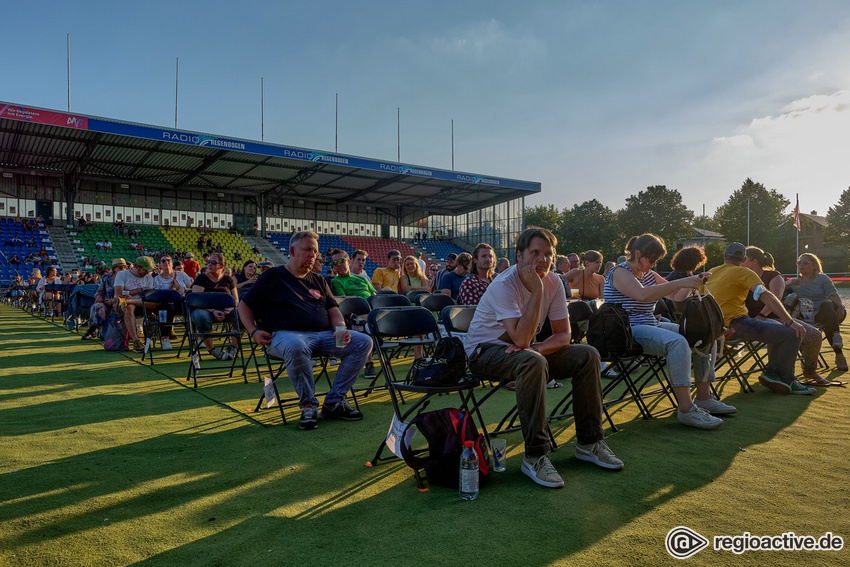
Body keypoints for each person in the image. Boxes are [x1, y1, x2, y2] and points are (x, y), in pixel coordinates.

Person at [463, 226, 623, 489]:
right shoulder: (504, 283)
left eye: (547, 254)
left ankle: (589, 442)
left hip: (522, 350)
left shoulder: (554, 282)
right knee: (532, 362)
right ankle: (535, 455)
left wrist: (535, 349)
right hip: (483, 351)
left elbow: (562, 335)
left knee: (587, 354)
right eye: (534, 253)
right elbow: (522, 339)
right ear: (519, 256)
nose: (542, 260)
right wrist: (537, 293)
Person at [237, 231, 372, 430]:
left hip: (323, 336)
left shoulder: (318, 279)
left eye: (315, 251)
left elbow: (333, 310)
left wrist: (341, 330)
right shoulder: (273, 276)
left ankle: (334, 401)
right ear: (292, 251)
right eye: (307, 250)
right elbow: (243, 306)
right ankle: (308, 405)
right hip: (285, 336)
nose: (313, 255)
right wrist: (253, 331)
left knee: (363, 342)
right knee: (296, 345)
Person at [605, 234, 737, 429]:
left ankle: (703, 397)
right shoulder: (620, 272)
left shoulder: (648, 274)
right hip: (626, 330)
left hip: (649, 324)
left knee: (704, 334)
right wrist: (681, 282)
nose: (653, 264)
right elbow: (642, 295)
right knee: (678, 342)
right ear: (637, 253)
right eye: (651, 260)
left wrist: (695, 282)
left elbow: (675, 296)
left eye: (656, 261)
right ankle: (686, 409)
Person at [705, 242, 814, 395]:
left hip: (714, 327)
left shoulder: (711, 272)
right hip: (737, 324)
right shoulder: (744, 272)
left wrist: (718, 327)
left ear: (724, 257)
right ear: (743, 259)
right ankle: (785, 378)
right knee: (791, 332)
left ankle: (773, 374)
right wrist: (791, 321)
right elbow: (767, 296)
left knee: (779, 332)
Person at [742, 246, 827, 384]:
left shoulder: (773, 276)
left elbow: (775, 298)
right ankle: (776, 374)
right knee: (783, 332)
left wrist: (762, 316)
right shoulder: (741, 276)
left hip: (775, 316)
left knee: (815, 335)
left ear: (754, 262)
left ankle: (810, 370)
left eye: (744, 259)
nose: (740, 262)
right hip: (748, 321)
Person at [785, 252, 847, 371]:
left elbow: (832, 294)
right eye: (799, 262)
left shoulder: (822, 278)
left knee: (827, 306)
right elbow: (776, 292)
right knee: (802, 318)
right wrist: (789, 284)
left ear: (814, 265)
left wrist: (840, 306)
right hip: (803, 314)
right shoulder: (795, 281)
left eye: (805, 262)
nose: (801, 265)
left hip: (823, 313)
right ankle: (809, 359)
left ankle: (838, 351)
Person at [190, 253, 240, 360]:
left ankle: (233, 347)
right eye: (208, 262)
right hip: (205, 310)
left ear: (221, 266)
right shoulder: (201, 278)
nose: (209, 264)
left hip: (226, 310)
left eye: (213, 262)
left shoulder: (229, 280)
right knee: (200, 316)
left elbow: (235, 300)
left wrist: (230, 309)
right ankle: (212, 349)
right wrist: (213, 311)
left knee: (241, 315)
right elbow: (195, 301)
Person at [113, 256, 156, 353]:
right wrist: (141, 290)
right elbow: (119, 293)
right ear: (137, 267)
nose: (147, 273)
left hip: (141, 303)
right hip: (127, 305)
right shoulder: (122, 274)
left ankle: (164, 337)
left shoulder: (148, 277)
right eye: (145, 270)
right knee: (129, 307)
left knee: (153, 302)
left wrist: (128, 293)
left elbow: (149, 296)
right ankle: (136, 340)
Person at [82, 258, 127, 340]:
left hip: (121, 303)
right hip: (106, 302)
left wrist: (113, 301)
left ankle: (106, 333)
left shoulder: (127, 278)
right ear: (114, 269)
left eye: (124, 267)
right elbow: (99, 291)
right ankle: (95, 330)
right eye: (120, 268)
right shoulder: (106, 277)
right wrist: (99, 297)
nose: (123, 269)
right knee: (97, 307)